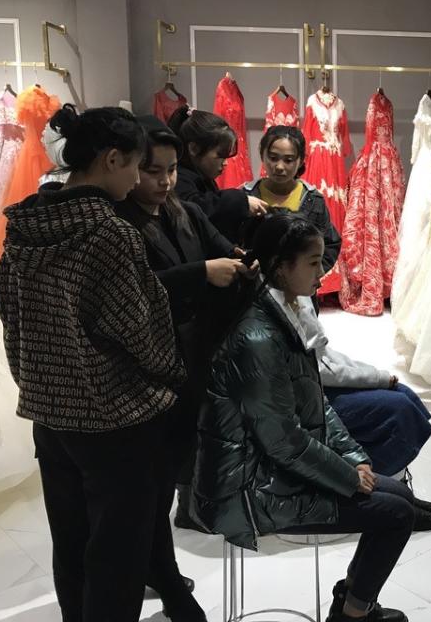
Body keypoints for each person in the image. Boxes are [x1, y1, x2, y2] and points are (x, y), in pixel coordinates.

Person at [0, 104, 202, 622]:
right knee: (118, 557)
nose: (137, 178)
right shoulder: (109, 233)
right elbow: (137, 328)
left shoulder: (28, 223)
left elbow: (1, 297)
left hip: (49, 411)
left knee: (71, 543)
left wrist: (49, 352)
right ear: (111, 160)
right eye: (135, 165)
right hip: (113, 418)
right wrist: (175, 374)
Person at [194, 211, 412, 622]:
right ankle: (353, 612)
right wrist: (347, 476)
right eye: (313, 262)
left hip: (270, 464)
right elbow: (281, 439)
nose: (323, 271)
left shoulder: (284, 312)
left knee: (401, 499)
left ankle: (351, 598)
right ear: (281, 266)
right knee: (396, 515)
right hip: (246, 485)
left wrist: (353, 457)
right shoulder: (259, 336)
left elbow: (315, 402)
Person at [115, 115, 252, 542]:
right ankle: (167, 524)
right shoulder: (120, 225)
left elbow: (224, 249)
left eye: (171, 170)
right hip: (153, 351)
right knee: (164, 444)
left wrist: (247, 260)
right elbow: (135, 287)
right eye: (152, 171)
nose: (165, 181)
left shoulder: (186, 210)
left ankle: (193, 505)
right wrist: (202, 273)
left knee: (198, 425)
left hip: (199, 341)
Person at [277, 287, 431, 531]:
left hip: (313, 391)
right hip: (298, 405)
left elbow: (322, 356)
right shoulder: (270, 312)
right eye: (313, 262)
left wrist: (374, 374)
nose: (321, 271)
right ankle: (374, 496)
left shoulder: (296, 295)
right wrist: (375, 378)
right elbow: (314, 375)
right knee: (398, 410)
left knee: (404, 396)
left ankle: (389, 489)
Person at [244, 124, 341, 279]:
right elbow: (229, 244)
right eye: (273, 158)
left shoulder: (313, 200)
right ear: (262, 155)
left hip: (300, 293)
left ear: (301, 160)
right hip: (253, 290)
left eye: (288, 160)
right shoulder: (246, 196)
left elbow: (331, 243)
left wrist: (310, 272)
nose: (279, 167)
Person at [169, 107, 269, 243]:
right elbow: (196, 209)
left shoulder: (202, 178)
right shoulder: (180, 180)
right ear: (194, 149)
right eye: (220, 156)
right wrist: (241, 201)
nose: (225, 163)